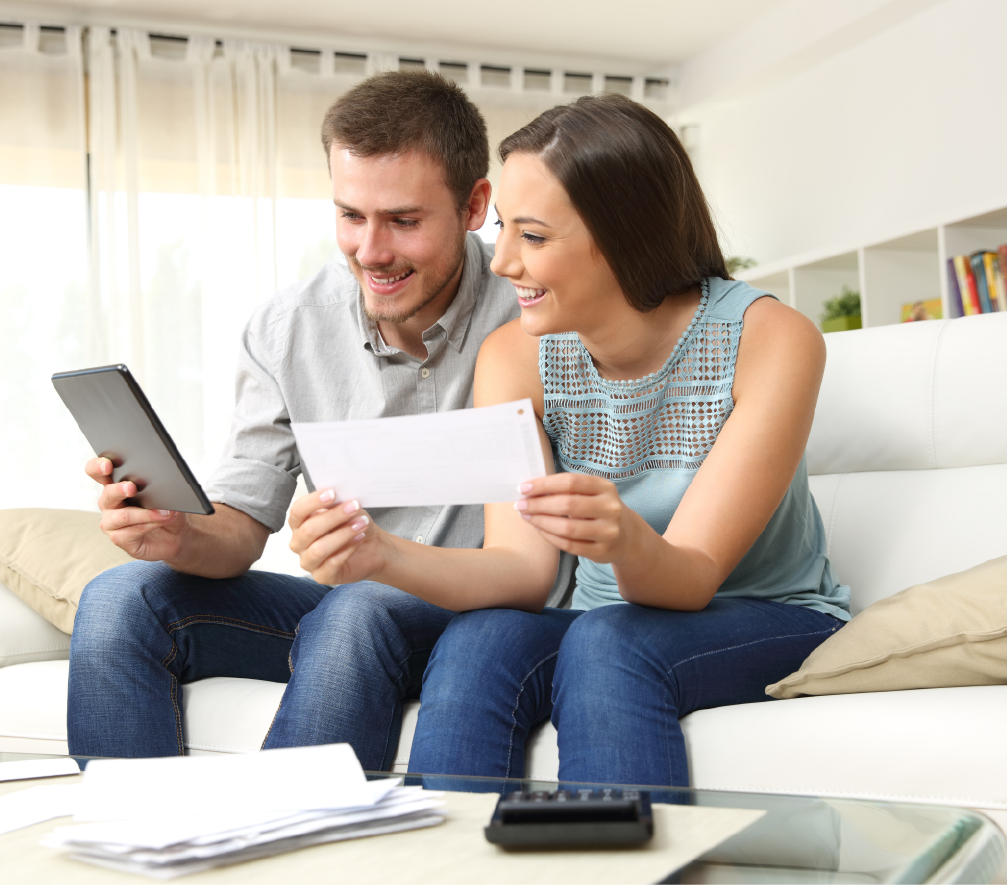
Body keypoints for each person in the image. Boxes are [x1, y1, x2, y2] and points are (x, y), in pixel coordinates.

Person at [289, 93, 851, 787]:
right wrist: (379, 552)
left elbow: (693, 575)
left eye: (532, 235)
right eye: (502, 230)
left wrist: (622, 541)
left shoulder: (769, 339)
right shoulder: (515, 357)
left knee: (609, 639)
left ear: (622, 234)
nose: (499, 263)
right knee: (479, 640)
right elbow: (521, 571)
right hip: (600, 622)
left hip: (765, 614)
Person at [67, 70, 570, 767]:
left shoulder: (537, 310)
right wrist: (176, 532)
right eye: (350, 216)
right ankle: (137, 853)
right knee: (120, 597)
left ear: (473, 204)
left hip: (484, 614)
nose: (370, 251)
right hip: (350, 615)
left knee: (357, 605)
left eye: (402, 220)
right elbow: (239, 529)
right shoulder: (285, 329)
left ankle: (286, 850)